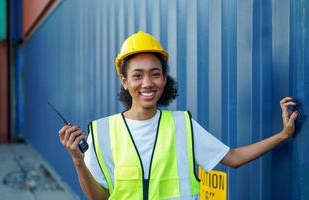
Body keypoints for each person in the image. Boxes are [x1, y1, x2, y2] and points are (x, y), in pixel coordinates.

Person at [58, 31, 299, 200]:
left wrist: (283, 135)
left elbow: (233, 158)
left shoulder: (182, 125)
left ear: (164, 78)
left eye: (155, 74)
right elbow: (99, 198)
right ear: (124, 81)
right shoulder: (100, 133)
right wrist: (77, 161)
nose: (147, 83)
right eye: (137, 75)